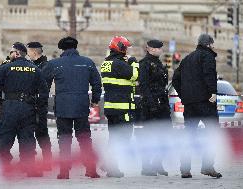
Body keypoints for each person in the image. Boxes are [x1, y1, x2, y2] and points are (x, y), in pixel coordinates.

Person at [43, 36, 102, 179]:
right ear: (76, 47)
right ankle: (91, 169)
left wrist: (43, 102)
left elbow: (43, 84)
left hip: (63, 106)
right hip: (81, 105)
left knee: (64, 138)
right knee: (84, 138)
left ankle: (64, 171)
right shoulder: (87, 63)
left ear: (61, 49)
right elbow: (97, 83)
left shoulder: (54, 64)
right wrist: (94, 100)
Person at [0, 42, 49, 177]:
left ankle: (4, 168)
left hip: (9, 106)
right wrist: (38, 104)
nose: (10, 54)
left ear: (16, 53)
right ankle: (30, 168)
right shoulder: (34, 69)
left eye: (11, 52)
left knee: (6, 137)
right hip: (28, 107)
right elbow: (44, 90)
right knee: (27, 138)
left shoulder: (6, 67)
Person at [172, 34, 222, 178]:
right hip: (205, 102)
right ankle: (207, 166)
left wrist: (184, 95)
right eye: (212, 44)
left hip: (190, 104)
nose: (213, 46)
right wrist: (212, 91)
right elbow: (209, 74)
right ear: (209, 44)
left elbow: (175, 79)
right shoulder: (208, 56)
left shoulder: (187, 59)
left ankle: (185, 169)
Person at [100, 36, 138, 177]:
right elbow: (134, 76)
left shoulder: (106, 63)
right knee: (124, 137)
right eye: (126, 47)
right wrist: (134, 63)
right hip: (123, 108)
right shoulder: (120, 64)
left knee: (114, 137)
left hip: (111, 107)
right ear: (121, 48)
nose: (127, 50)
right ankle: (110, 164)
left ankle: (110, 166)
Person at [137, 39, 171, 176]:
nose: (161, 50)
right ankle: (146, 167)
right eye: (158, 48)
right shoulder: (144, 64)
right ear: (150, 49)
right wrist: (152, 104)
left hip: (162, 104)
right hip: (150, 106)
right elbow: (143, 86)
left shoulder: (160, 64)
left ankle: (157, 163)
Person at [26, 42, 52, 170]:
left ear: (35, 52)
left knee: (41, 133)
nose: (27, 54)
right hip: (29, 103)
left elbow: (41, 85)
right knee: (28, 133)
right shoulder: (31, 64)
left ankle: (48, 160)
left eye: (29, 51)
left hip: (39, 104)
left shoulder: (45, 66)